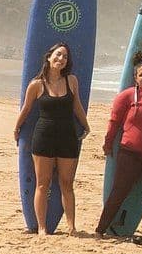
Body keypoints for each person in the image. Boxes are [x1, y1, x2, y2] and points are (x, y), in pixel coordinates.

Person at [13, 42, 91, 236]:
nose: (61, 59)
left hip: (67, 137)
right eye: (58, 55)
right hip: (44, 137)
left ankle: (72, 226)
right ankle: (41, 227)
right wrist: (16, 128)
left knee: (67, 183)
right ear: (49, 57)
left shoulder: (71, 81)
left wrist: (86, 124)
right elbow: (26, 109)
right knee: (43, 183)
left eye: (64, 57)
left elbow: (77, 106)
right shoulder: (37, 84)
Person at [95, 52, 142, 241]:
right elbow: (114, 122)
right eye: (141, 75)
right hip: (129, 153)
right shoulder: (126, 96)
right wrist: (107, 143)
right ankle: (100, 230)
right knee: (119, 192)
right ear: (135, 78)